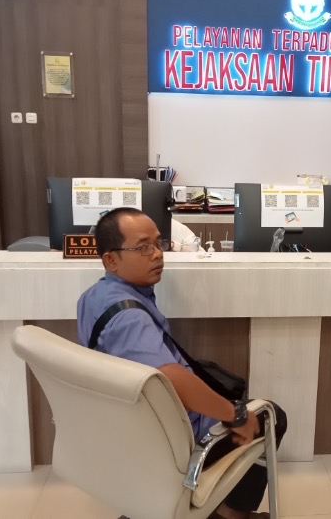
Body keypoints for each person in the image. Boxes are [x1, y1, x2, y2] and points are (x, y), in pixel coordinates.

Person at [77, 207, 287, 519]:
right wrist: (234, 415)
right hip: (174, 436)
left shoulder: (93, 296)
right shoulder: (129, 318)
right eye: (142, 247)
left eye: (158, 243)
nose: (157, 254)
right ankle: (229, 515)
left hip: (130, 427)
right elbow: (171, 377)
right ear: (111, 260)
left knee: (227, 388)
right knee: (271, 416)